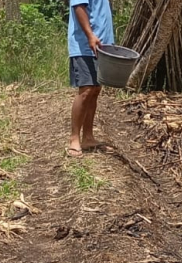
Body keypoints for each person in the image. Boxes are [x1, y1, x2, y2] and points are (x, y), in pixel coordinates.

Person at [67, 0, 114, 158]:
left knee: (95, 90)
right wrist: (90, 35)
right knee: (86, 90)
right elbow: (78, 7)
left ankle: (88, 137)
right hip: (85, 46)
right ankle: (74, 139)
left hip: (102, 45)